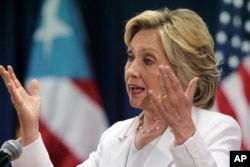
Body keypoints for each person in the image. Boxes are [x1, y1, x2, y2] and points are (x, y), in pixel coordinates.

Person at [0, 7, 241, 167]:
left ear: (182, 71)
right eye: (130, 56)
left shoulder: (218, 129)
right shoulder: (115, 136)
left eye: (147, 60)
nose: (131, 70)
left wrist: (183, 132)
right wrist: (30, 130)